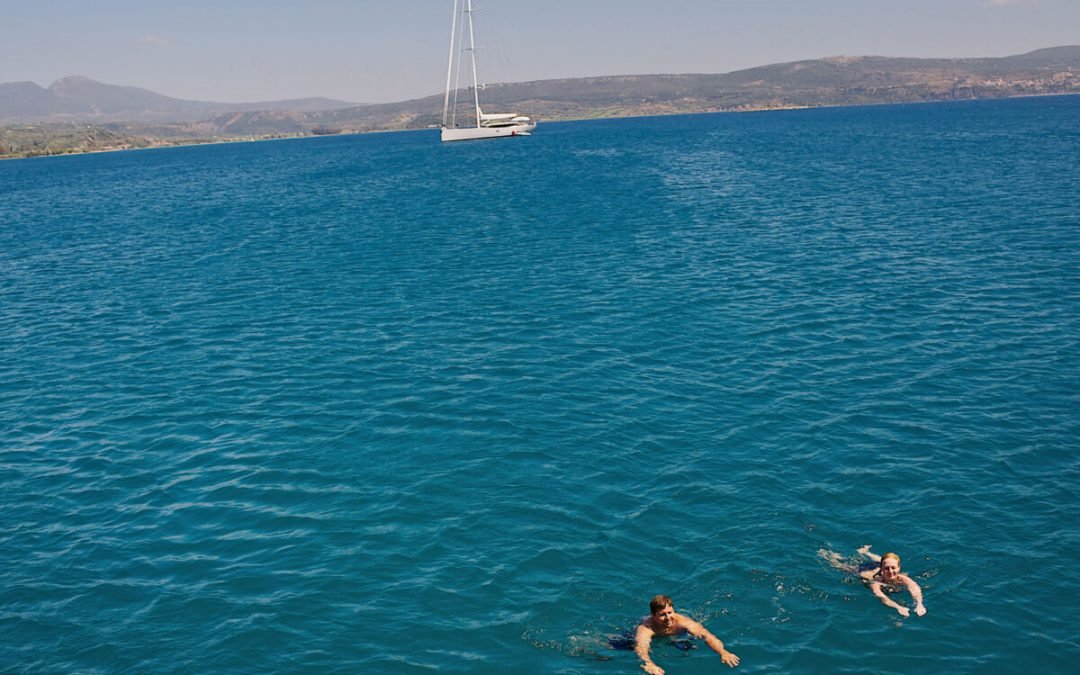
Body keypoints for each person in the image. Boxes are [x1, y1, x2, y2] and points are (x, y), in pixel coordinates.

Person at [634, 594, 739, 674]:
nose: (668, 617)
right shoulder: (646, 628)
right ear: (653, 615)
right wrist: (649, 663)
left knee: (689, 645)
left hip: (678, 636)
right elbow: (641, 647)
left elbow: (706, 635)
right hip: (656, 637)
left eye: (670, 612)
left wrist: (723, 652)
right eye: (662, 615)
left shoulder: (683, 622)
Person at [819, 545, 927, 618]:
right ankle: (829, 555)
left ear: (899, 568)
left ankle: (866, 552)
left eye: (893, 568)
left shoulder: (903, 578)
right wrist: (898, 607)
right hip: (864, 571)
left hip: (878, 566)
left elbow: (915, 589)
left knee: (881, 560)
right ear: (883, 569)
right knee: (843, 568)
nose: (890, 571)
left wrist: (919, 604)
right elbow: (882, 597)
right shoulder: (876, 583)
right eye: (887, 568)